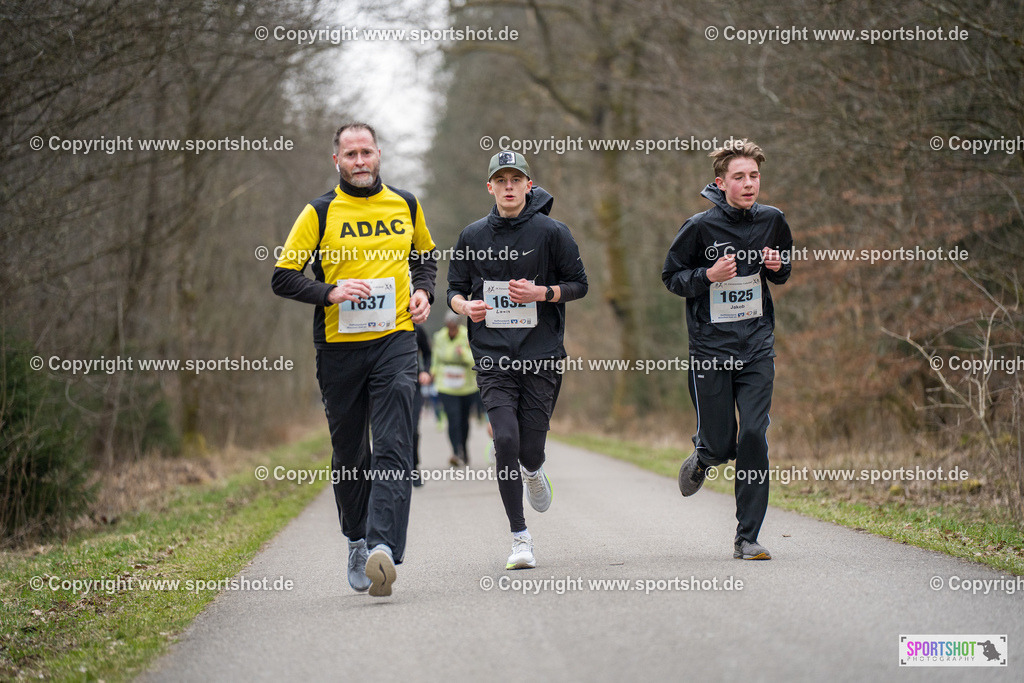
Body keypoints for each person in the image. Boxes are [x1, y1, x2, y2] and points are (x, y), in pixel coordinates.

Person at [272, 122, 436, 596]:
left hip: (395, 341)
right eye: (351, 154)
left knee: (392, 444)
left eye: (366, 152)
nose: (360, 161)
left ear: (379, 154)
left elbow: (426, 256)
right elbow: (283, 276)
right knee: (351, 454)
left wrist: (424, 291)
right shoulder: (319, 212)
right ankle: (357, 539)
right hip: (339, 348)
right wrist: (329, 291)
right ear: (337, 161)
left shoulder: (405, 204)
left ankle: (384, 547)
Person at [447, 150, 587, 570]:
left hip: (541, 355)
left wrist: (543, 293)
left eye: (516, 179)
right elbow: (454, 289)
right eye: (501, 180)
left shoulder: (552, 232)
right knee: (504, 440)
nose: (509, 186)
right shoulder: (472, 235)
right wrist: (463, 307)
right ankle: (519, 538)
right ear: (490, 187)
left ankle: (533, 469)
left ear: (529, 185)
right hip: (492, 356)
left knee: (529, 450)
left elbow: (579, 284)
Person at [661, 139, 793, 561]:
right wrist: (707, 274)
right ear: (721, 182)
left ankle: (747, 537)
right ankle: (703, 457)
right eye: (740, 176)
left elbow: (784, 268)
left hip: (756, 346)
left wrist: (778, 266)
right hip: (710, 351)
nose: (749, 183)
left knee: (754, 435)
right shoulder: (699, 227)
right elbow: (671, 276)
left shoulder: (773, 220)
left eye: (754, 176)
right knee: (720, 446)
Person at [430, 312, 479, 467]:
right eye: (449, 327)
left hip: (466, 386)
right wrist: (432, 372)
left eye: (454, 327)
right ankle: (455, 452)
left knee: (464, 420)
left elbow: (475, 359)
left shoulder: (467, 336)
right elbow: (436, 359)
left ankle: (463, 449)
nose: (451, 330)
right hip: (446, 385)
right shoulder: (439, 337)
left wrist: (463, 353)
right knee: (453, 418)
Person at [412, 324, 432, 487]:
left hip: (414, 385)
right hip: (386, 385)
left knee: (412, 429)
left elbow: (427, 353)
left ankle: (413, 468)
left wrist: (425, 370)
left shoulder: (416, 328)